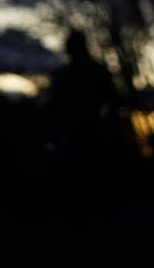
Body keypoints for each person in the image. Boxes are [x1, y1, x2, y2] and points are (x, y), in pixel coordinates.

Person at [43, 29, 125, 219]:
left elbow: (114, 101)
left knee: (89, 188)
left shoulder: (84, 74)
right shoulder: (68, 75)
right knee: (77, 189)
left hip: (90, 135)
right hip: (74, 137)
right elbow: (53, 109)